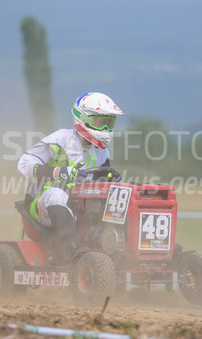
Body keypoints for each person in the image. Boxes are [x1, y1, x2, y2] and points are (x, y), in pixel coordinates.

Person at [17, 92, 124, 258]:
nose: (104, 129)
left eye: (108, 123)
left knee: (117, 198)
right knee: (56, 194)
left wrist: (111, 182)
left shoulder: (101, 151)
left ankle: (116, 248)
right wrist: (58, 172)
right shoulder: (61, 139)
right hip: (42, 204)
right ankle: (72, 248)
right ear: (82, 119)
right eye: (99, 122)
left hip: (78, 207)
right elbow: (23, 164)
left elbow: (101, 183)